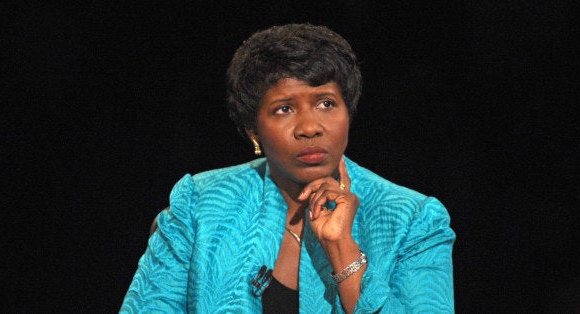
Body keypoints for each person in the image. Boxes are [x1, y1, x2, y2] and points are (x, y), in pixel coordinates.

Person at [121, 23, 455, 313]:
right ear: (253, 130)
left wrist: (342, 249)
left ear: (348, 113)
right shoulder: (199, 206)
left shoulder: (413, 221)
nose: (309, 127)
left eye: (326, 103)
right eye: (284, 109)